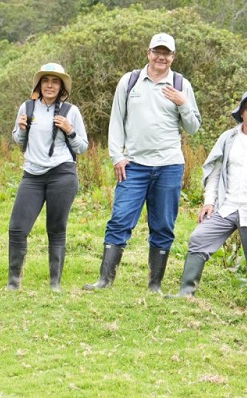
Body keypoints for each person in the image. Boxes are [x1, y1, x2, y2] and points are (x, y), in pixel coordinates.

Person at [85, 33, 201, 294]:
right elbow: (116, 120)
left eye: (167, 53)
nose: (161, 57)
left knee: (162, 225)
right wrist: (117, 155)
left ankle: (154, 285)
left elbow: (193, 128)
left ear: (173, 56)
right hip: (134, 164)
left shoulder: (182, 84)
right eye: (157, 51)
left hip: (169, 165)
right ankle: (104, 281)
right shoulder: (131, 80)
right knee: (119, 220)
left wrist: (183, 104)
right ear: (148, 52)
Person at [167, 91, 247, 311]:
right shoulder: (228, 138)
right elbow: (216, 173)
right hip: (228, 206)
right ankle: (186, 292)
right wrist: (209, 201)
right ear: (241, 112)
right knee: (199, 238)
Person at [8, 63, 88, 291]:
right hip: (32, 174)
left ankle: (55, 283)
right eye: (46, 81)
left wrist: (69, 130)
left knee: (56, 228)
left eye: (55, 81)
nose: (50, 85)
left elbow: (82, 146)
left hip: (62, 173)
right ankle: (14, 282)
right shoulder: (27, 108)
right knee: (17, 228)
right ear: (39, 84)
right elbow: (19, 141)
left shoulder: (71, 111)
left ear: (61, 86)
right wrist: (21, 129)